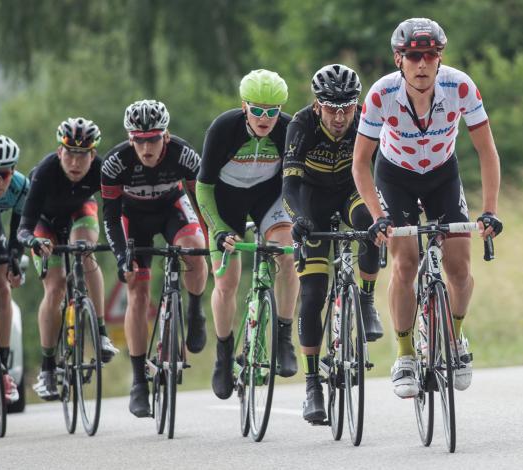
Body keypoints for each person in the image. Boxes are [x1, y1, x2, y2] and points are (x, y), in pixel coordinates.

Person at [352, 18, 503, 399]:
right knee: (404, 264)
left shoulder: (460, 86)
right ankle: (404, 354)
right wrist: (378, 217)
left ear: (440, 58)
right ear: (398, 59)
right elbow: (360, 164)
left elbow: (487, 151)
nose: (422, 64)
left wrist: (489, 210)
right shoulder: (381, 94)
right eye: (413, 56)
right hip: (395, 175)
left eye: (430, 56)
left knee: (460, 267)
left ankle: (453, 335)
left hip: (441, 174)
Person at [282, 64, 384, 423]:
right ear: (317, 105)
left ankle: (367, 301)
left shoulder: (366, 120)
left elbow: (382, 168)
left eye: (347, 108)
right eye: (331, 108)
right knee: (311, 295)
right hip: (311, 199)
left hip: (350, 192)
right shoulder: (301, 125)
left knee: (372, 222)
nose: (340, 117)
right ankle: (312, 385)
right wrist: (298, 219)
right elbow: (290, 186)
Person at [196, 69, 299, 400]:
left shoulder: (287, 128)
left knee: (287, 254)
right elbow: (203, 187)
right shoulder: (223, 129)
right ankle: (224, 355)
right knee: (226, 283)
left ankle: (283, 337)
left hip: (269, 198)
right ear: (244, 107)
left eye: (272, 111)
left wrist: (301, 215)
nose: (265, 118)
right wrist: (219, 229)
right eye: (257, 110)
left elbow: (297, 179)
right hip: (226, 203)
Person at [101, 100, 208, 417]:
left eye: (153, 139)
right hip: (133, 220)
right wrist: (123, 258)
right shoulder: (115, 163)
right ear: (130, 138)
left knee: (194, 248)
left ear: (166, 135)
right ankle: (138, 382)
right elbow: (109, 217)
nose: (146, 147)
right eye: (139, 140)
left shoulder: (183, 154)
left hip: (171, 210)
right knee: (137, 289)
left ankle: (194, 309)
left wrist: (209, 237)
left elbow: (201, 201)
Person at [17, 119, 119, 400]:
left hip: (79, 213)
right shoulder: (45, 171)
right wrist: (33, 242)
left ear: (93, 155)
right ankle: (48, 368)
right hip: (44, 223)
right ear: (59, 151)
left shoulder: (101, 171)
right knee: (56, 286)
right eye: (70, 153)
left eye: (83, 154)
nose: (76, 162)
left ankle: (100, 333)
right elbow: (24, 226)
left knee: (85, 252)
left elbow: (117, 207)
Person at [0, 134, 28, 404]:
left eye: (5, 174)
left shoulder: (22, 186)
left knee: (2, 289)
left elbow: (20, 228)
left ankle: (1, 369)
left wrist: (15, 259)